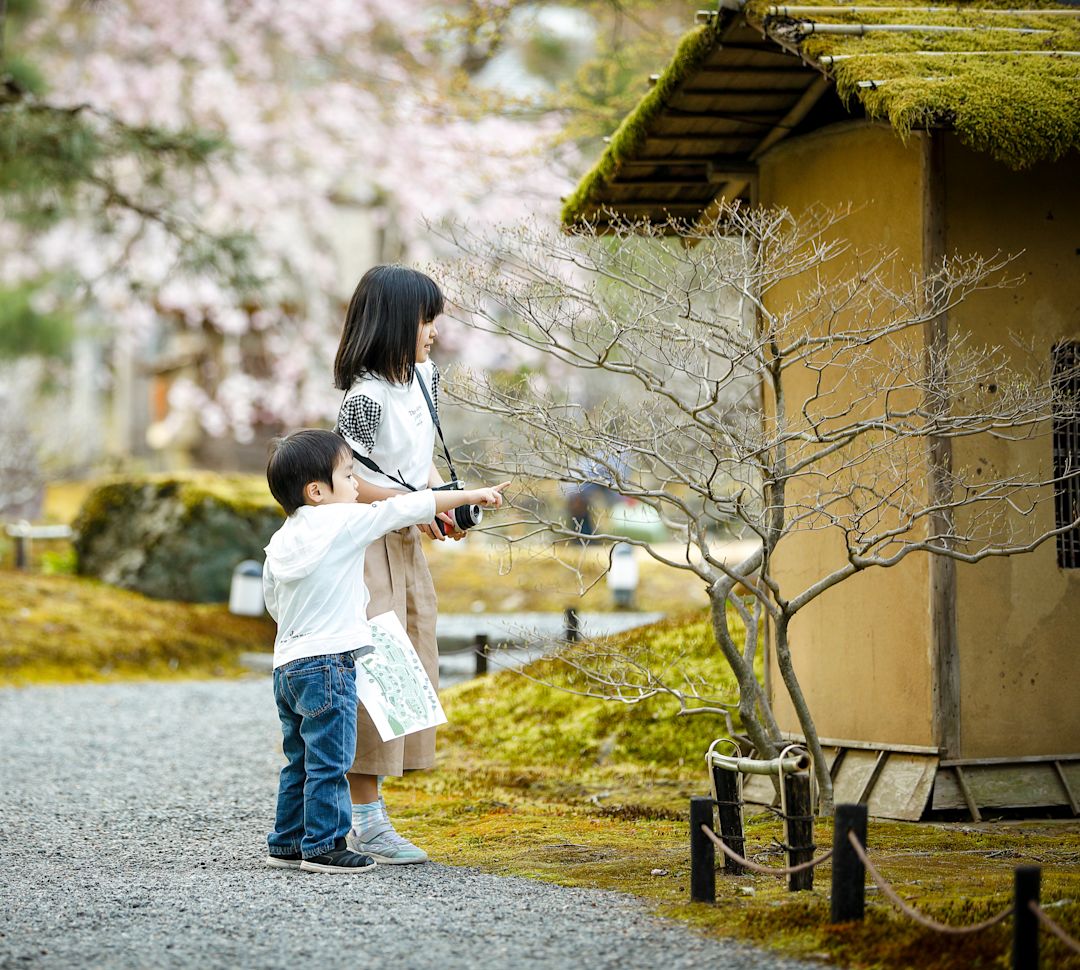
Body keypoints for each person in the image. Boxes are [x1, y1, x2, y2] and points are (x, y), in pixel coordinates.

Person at [262, 428, 506, 873]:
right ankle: (324, 847)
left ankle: (287, 842)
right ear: (317, 491)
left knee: (298, 757)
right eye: (349, 475)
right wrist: (473, 495)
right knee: (331, 760)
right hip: (330, 665)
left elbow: (272, 602)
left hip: (288, 666)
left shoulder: (280, 540)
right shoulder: (346, 521)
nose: (358, 486)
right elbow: (404, 507)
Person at [333, 264, 460, 864]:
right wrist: (422, 504)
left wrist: (439, 504)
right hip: (364, 546)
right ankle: (366, 818)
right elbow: (345, 485)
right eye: (423, 318)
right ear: (392, 321)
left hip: (405, 541)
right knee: (373, 674)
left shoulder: (425, 378)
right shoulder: (364, 399)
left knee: (411, 666)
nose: (431, 330)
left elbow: (420, 463)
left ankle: (367, 815)